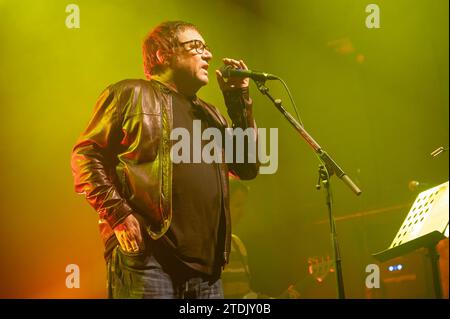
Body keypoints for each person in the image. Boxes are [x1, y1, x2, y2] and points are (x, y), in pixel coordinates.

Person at [71, 20, 259, 299]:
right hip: (149, 258)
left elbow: (247, 166)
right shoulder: (129, 94)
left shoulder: (211, 114)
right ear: (163, 54)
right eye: (197, 46)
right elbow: (85, 156)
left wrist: (238, 100)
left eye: (207, 48)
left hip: (207, 271)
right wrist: (118, 214)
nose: (208, 55)